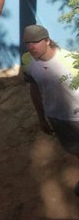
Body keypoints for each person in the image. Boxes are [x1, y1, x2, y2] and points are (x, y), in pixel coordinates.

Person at [21, 24, 79, 194]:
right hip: (56, 117)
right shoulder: (29, 62)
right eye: (28, 43)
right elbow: (34, 89)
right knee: (75, 149)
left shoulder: (71, 60)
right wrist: (41, 118)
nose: (31, 47)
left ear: (47, 41)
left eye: (35, 42)